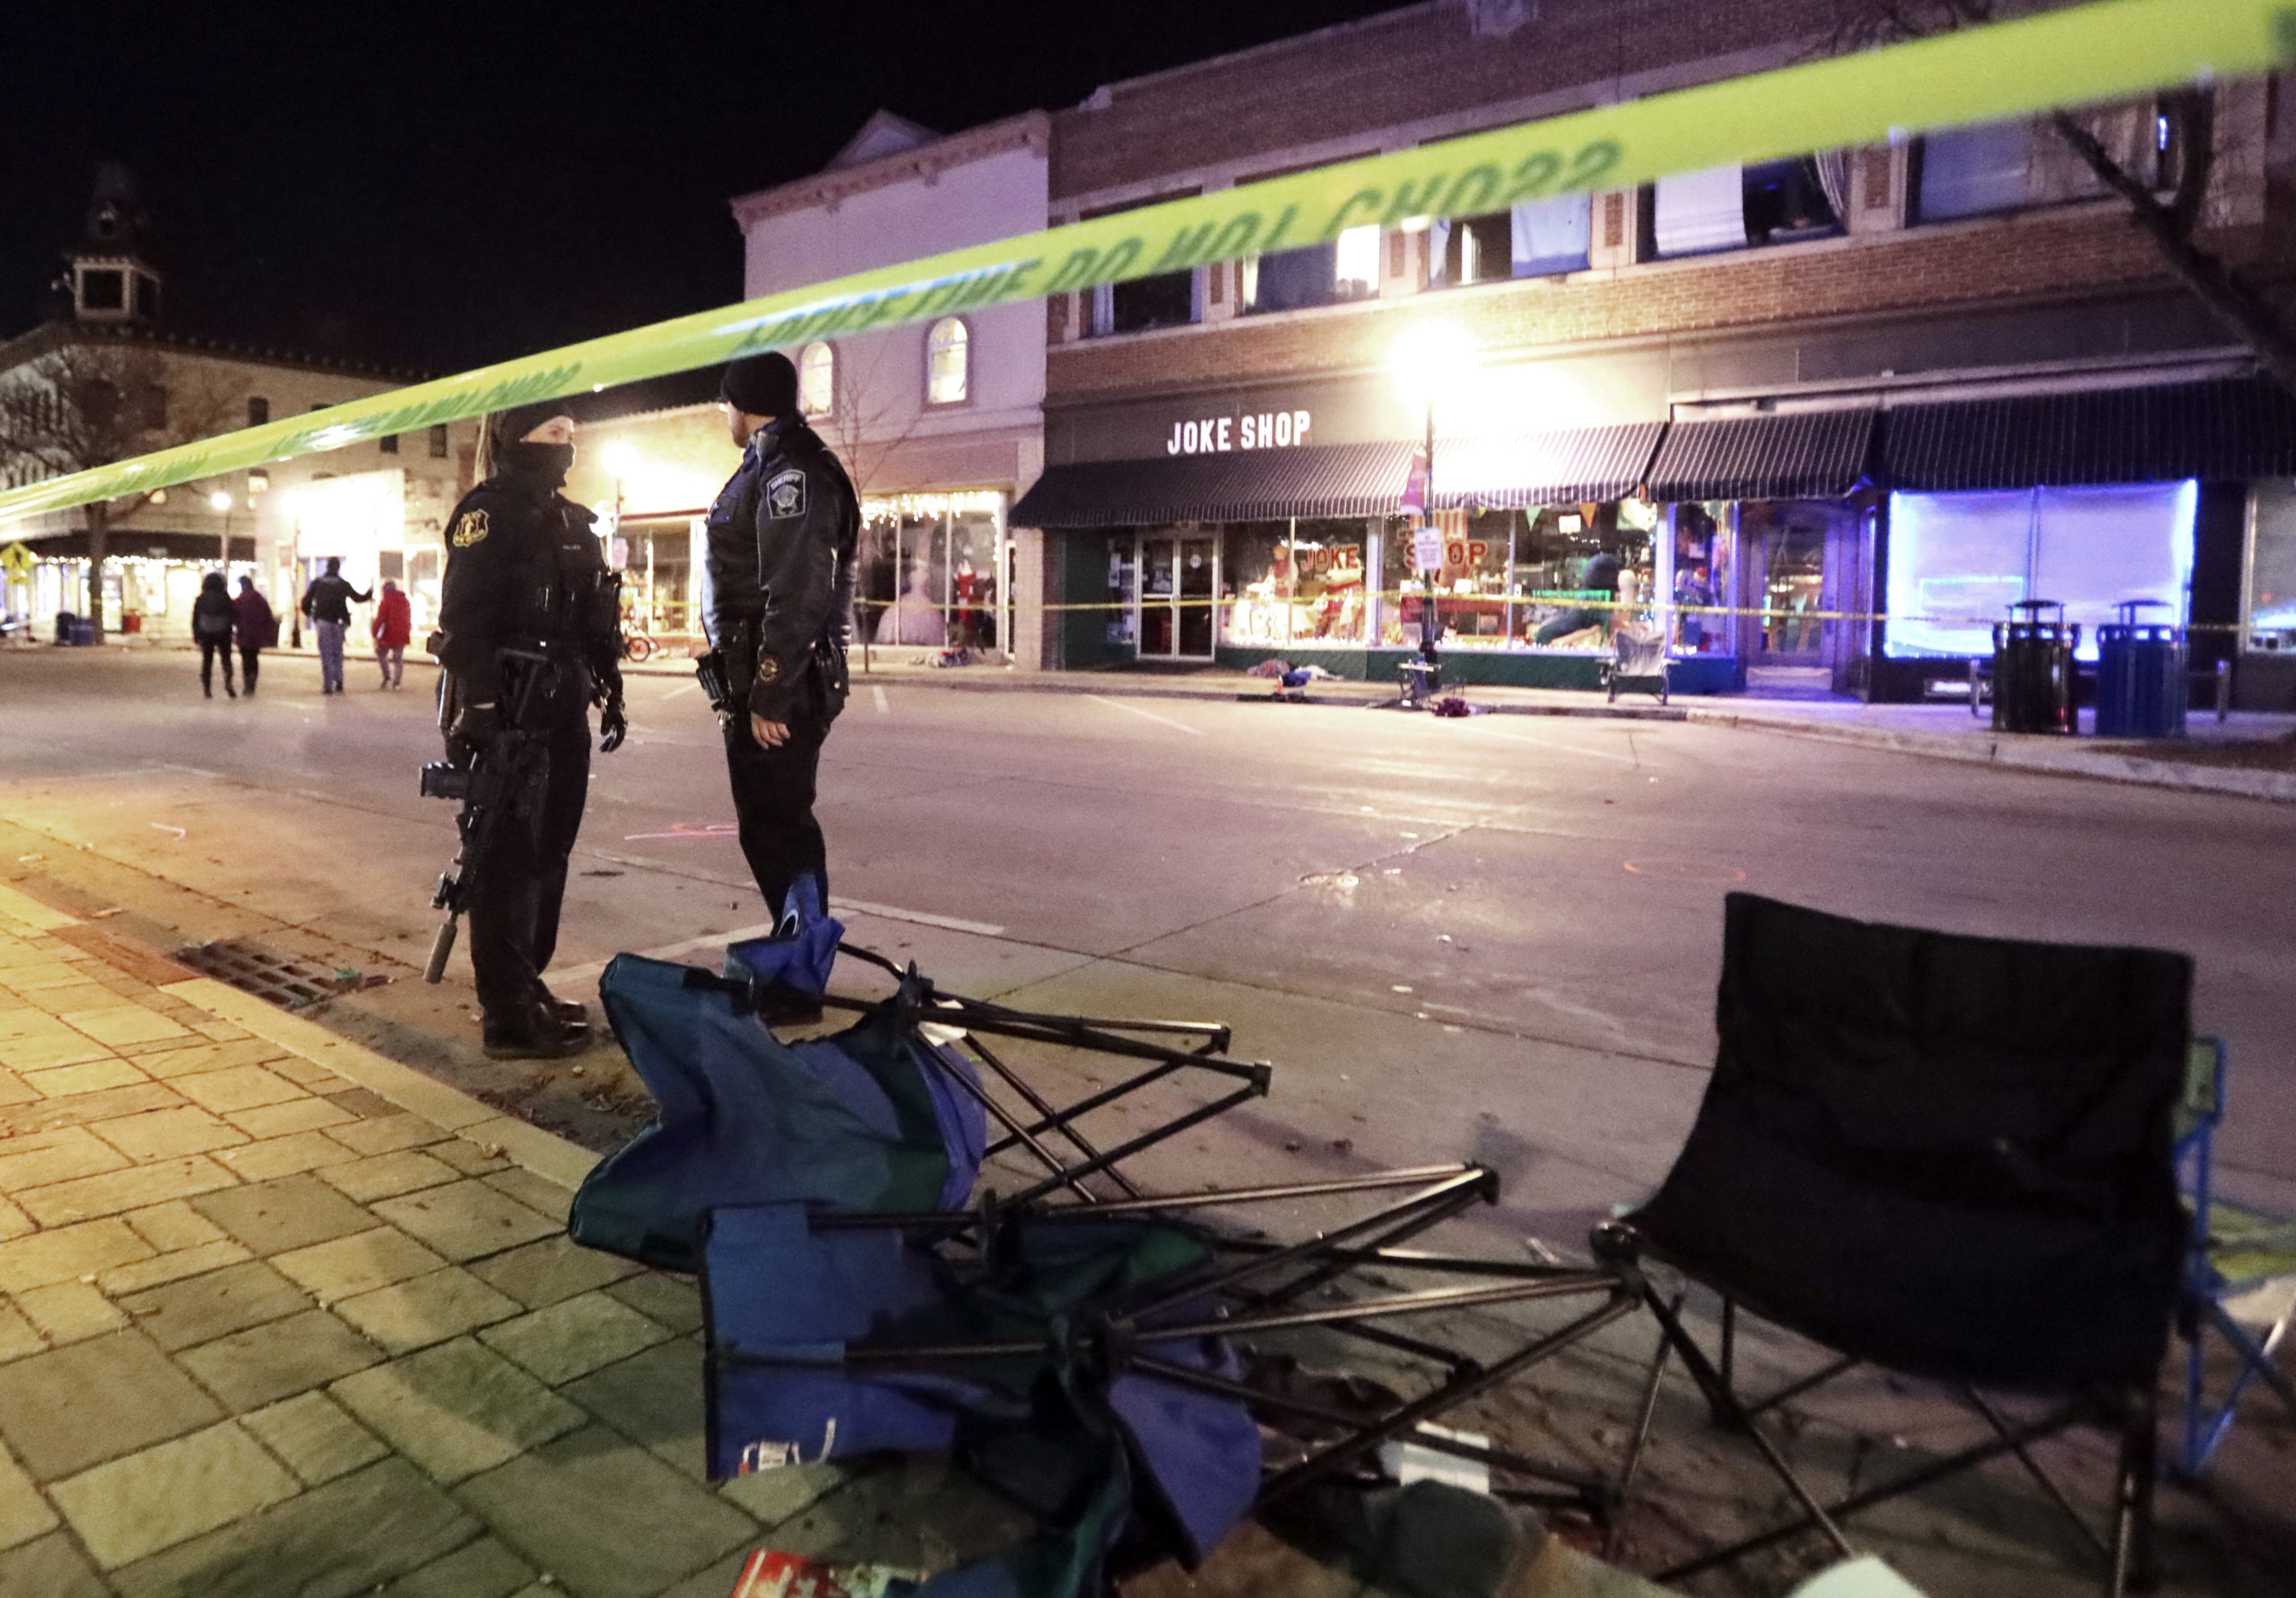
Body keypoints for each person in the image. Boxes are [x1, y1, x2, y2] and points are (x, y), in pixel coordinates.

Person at [432, 402, 628, 1060]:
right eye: (552, 433)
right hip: (507, 712)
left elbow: (593, 618)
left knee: (550, 855)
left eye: (572, 434)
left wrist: (611, 688)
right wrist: (482, 707)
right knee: (505, 861)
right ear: (518, 439)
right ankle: (506, 1015)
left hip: (562, 707)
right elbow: (462, 622)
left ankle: (527, 980)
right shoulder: (488, 514)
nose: (566, 444)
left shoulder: (575, 522)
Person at [703, 351, 859, 921]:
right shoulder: (765, 463)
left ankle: (800, 967)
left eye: (727, 403)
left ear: (743, 406)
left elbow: (796, 592)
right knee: (769, 828)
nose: (726, 414)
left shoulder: (791, 471)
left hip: (783, 686)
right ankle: (796, 952)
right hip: (761, 678)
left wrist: (769, 691)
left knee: (781, 829)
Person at [300, 557, 371, 695]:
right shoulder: (343, 584)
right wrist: (369, 593)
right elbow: (358, 598)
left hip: (323, 620)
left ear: (327, 567)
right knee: (337, 652)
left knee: (326, 653)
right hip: (339, 621)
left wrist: (311, 614)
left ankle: (328, 685)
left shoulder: (318, 582)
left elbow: (306, 601)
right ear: (338, 568)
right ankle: (338, 681)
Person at [190, 572, 237, 699]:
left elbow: (195, 618)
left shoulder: (201, 599)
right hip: (223, 631)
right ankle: (228, 681)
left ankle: (207, 688)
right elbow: (233, 615)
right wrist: (233, 631)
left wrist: (196, 634)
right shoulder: (225, 597)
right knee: (226, 659)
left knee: (207, 661)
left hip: (206, 632)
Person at [232, 576, 277, 694]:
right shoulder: (259, 599)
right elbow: (268, 617)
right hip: (256, 635)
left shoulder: (240, 600)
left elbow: (234, 615)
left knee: (246, 659)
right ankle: (252, 681)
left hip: (244, 634)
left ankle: (248, 682)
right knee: (253, 658)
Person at [372, 578, 412, 690]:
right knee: (398, 658)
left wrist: (375, 633)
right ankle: (397, 682)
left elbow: (381, 619)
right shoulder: (405, 601)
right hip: (402, 634)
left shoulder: (386, 601)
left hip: (388, 634)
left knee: (381, 655)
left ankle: (387, 677)